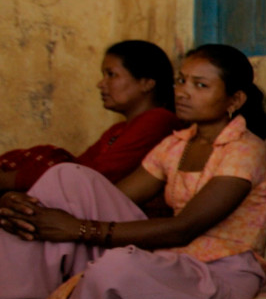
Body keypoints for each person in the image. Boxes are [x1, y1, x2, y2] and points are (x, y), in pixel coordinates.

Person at [0, 44, 266, 299]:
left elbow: (183, 230)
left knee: (117, 267)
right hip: (169, 257)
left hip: (218, 270)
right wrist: (23, 204)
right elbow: (105, 198)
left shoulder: (245, 150)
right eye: (181, 81)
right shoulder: (175, 144)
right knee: (67, 177)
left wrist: (79, 229)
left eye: (200, 85)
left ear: (234, 101)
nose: (182, 91)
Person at [1, 40, 181, 191]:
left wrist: (14, 179)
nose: (101, 84)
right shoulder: (117, 130)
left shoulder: (158, 120)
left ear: (146, 83)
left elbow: (93, 176)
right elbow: (79, 167)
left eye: (111, 75)